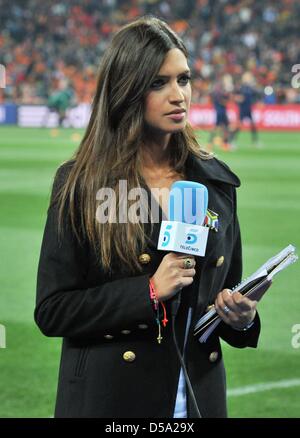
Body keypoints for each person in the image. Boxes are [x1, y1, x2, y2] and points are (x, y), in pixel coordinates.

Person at [35, 16, 260, 418]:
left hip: (197, 401)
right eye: (159, 83)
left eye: (184, 79)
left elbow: (223, 295)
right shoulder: (81, 185)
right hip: (111, 402)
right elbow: (53, 310)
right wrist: (149, 291)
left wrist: (240, 317)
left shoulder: (216, 181)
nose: (179, 96)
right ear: (126, 90)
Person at [232, 72, 260, 147]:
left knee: (253, 125)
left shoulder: (250, 88)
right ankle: (232, 141)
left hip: (248, 109)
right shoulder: (241, 88)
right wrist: (240, 99)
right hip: (243, 109)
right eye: (248, 77)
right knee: (239, 126)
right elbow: (235, 97)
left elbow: (255, 96)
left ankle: (255, 141)